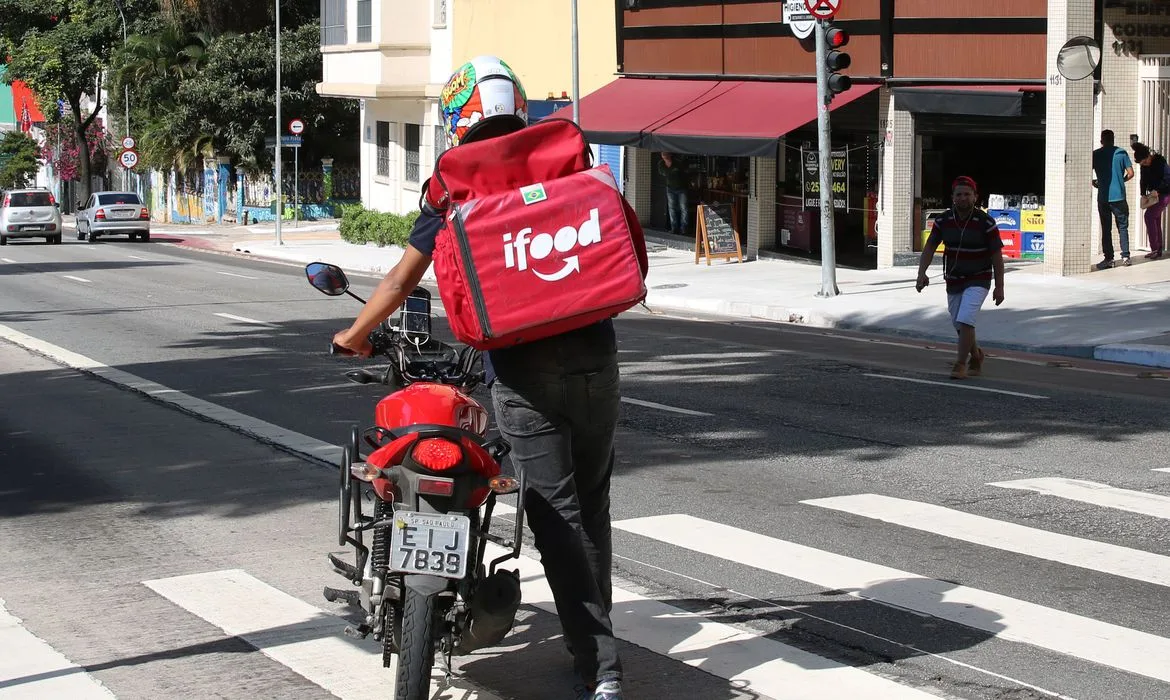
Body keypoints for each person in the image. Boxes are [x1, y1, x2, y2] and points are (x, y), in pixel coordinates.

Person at [330, 56, 624, 700]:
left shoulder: (455, 179)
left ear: (460, 114)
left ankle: (601, 669)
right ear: (516, 103)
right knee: (591, 508)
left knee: (558, 518)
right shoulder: (567, 152)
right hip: (597, 356)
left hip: (522, 367)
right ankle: (594, 650)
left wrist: (353, 336)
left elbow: (404, 278)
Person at [915, 176, 1005, 380]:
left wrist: (999, 287)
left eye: (967, 194)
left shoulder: (986, 222)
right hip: (954, 278)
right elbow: (930, 247)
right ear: (952, 198)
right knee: (959, 323)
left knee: (965, 320)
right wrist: (921, 273)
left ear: (975, 197)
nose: (963, 198)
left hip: (979, 278)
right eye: (959, 194)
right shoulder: (943, 220)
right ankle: (976, 355)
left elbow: (997, 257)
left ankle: (959, 364)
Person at [1092, 129, 1135, 269]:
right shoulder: (1121, 153)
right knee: (1123, 226)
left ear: (1101, 141)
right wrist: (1121, 181)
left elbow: (1086, 172)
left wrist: (1096, 182)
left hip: (1103, 197)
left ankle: (1109, 259)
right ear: (1113, 139)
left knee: (1106, 228)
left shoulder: (1096, 154)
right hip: (1119, 197)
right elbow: (1131, 173)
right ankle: (1126, 257)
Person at [1132, 142, 1170, 259]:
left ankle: (1155, 248)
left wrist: (1158, 190)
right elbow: (1142, 180)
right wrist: (1143, 194)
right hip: (1153, 196)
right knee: (1155, 218)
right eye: (1142, 164)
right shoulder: (1144, 166)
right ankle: (1157, 249)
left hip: (1164, 193)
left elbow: (1168, 179)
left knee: (1149, 216)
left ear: (1148, 156)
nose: (1144, 165)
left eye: (1144, 162)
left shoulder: (1160, 162)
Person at [657, 153, 689, 236]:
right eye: (663, 154)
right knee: (672, 208)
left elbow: (684, 172)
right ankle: (674, 228)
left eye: (666, 154)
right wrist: (671, 169)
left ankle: (683, 228)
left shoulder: (677, 162)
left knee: (684, 208)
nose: (664, 155)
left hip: (682, 188)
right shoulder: (661, 164)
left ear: (670, 154)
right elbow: (663, 172)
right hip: (670, 188)